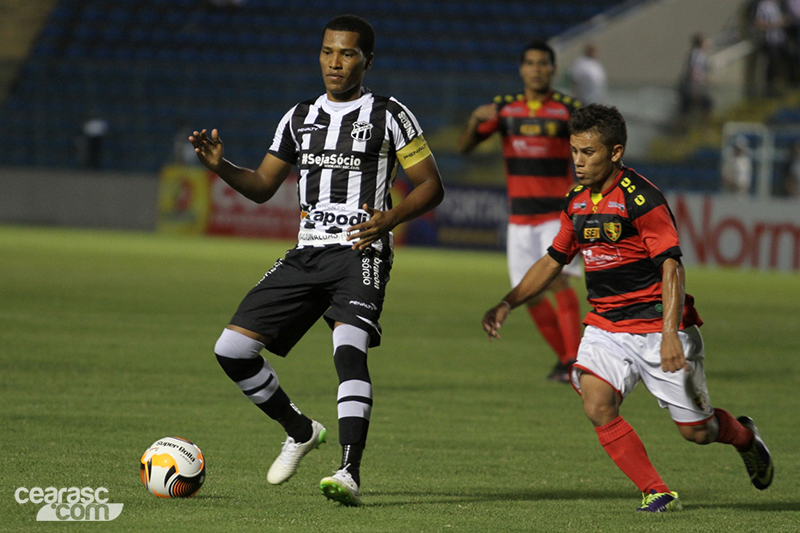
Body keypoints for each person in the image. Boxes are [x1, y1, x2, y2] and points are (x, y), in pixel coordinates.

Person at [189, 14, 444, 506]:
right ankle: (300, 430)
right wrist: (222, 166)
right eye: (328, 51)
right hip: (307, 251)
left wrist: (389, 219)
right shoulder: (299, 116)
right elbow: (262, 187)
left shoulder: (390, 114)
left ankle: (348, 471)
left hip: (360, 251)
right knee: (231, 350)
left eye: (347, 53)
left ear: (368, 61)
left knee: (348, 351)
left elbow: (431, 185)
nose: (335, 62)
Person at [482, 104, 774, 512]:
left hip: (657, 326)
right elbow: (553, 259)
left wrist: (670, 334)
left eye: (589, 152)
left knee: (698, 431)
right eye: (574, 151)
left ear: (616, 151)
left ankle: (744, 437)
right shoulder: (576, 201)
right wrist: (508, 302)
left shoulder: (642, 199)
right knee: (596, 402)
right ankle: (656, 491)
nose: (578, 161)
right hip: (606, 326)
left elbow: (672, 267)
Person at [457, 40, 583, 383]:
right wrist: (474, 120)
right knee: (529, 294)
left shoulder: (568, 110)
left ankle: (576, 362)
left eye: (543, 63)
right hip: (519, 219)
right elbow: (465, 147)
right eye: (530, 63)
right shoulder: (505, 109)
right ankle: (565, 361)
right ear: (522, 69)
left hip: (557, 215)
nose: (536, 69)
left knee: (558, 281)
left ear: (553, 69)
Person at [677, 34, 713, 134]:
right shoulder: (698, 54)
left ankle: (682, 132)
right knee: (707, 105)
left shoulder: (694, 53)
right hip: (692, 87)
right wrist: (698, 86)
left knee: (685, 111)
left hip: (689, 87)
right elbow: (694, 71)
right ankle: (703, 130)